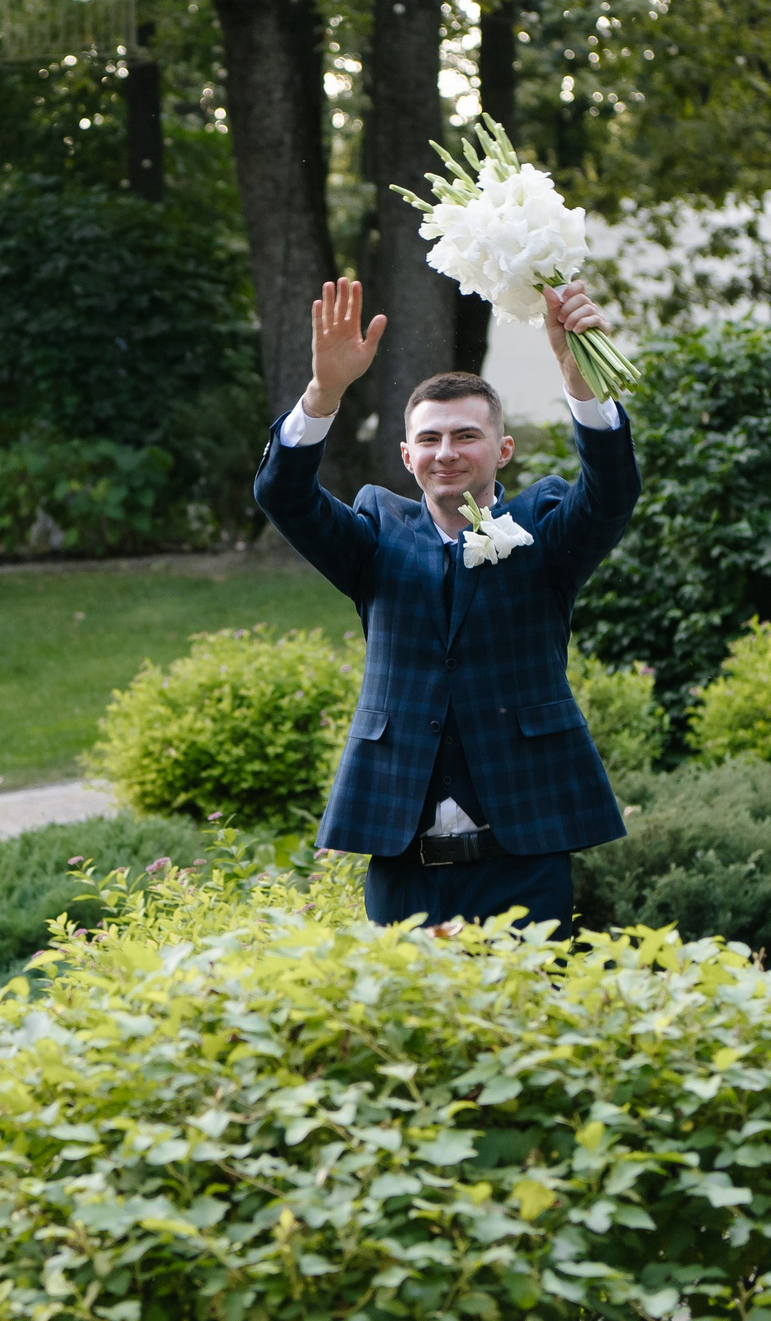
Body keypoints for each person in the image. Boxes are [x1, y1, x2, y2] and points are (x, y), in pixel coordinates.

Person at [252, 276, 640, 935]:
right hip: (403, 857)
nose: (447, 453)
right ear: (407, 456)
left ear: (502, 449)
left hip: (525, 851)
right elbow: (284, 496)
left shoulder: (544, 529)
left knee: (530, 1023)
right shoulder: (372, 539)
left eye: (466, 435)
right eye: (429, 439)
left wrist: (581, 381)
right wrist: (325, 394)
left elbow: (611, 495)